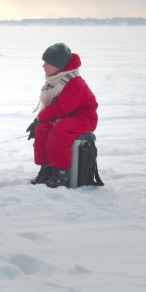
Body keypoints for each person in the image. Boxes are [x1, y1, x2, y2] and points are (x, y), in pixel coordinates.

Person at [26, 43, 98, 188]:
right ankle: (46, 170)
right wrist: (39, 122)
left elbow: (61, 108)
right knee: (43, 130)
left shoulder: (75, 83)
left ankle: (60, 173)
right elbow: (55, 109)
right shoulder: (56, 80)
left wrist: (39, 118)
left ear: (59, 65)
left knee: (60, 130)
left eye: (47, 62)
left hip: (84, 119)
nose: (43, 66)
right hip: (64, 118)